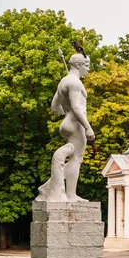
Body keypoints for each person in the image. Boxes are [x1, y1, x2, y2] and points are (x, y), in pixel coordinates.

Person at [49, 53, 95, 202]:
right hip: (76, 124)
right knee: (76, 159)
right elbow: (76, 107)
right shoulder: (75, 83)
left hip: (66, 123)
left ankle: (49, 186)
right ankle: (71, 195)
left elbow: (54, 107)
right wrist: (87, 127)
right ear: (78, 65)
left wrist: (66, 110)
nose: (88, 70)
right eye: (86, 66)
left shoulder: (63, 82)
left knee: (73, 159)